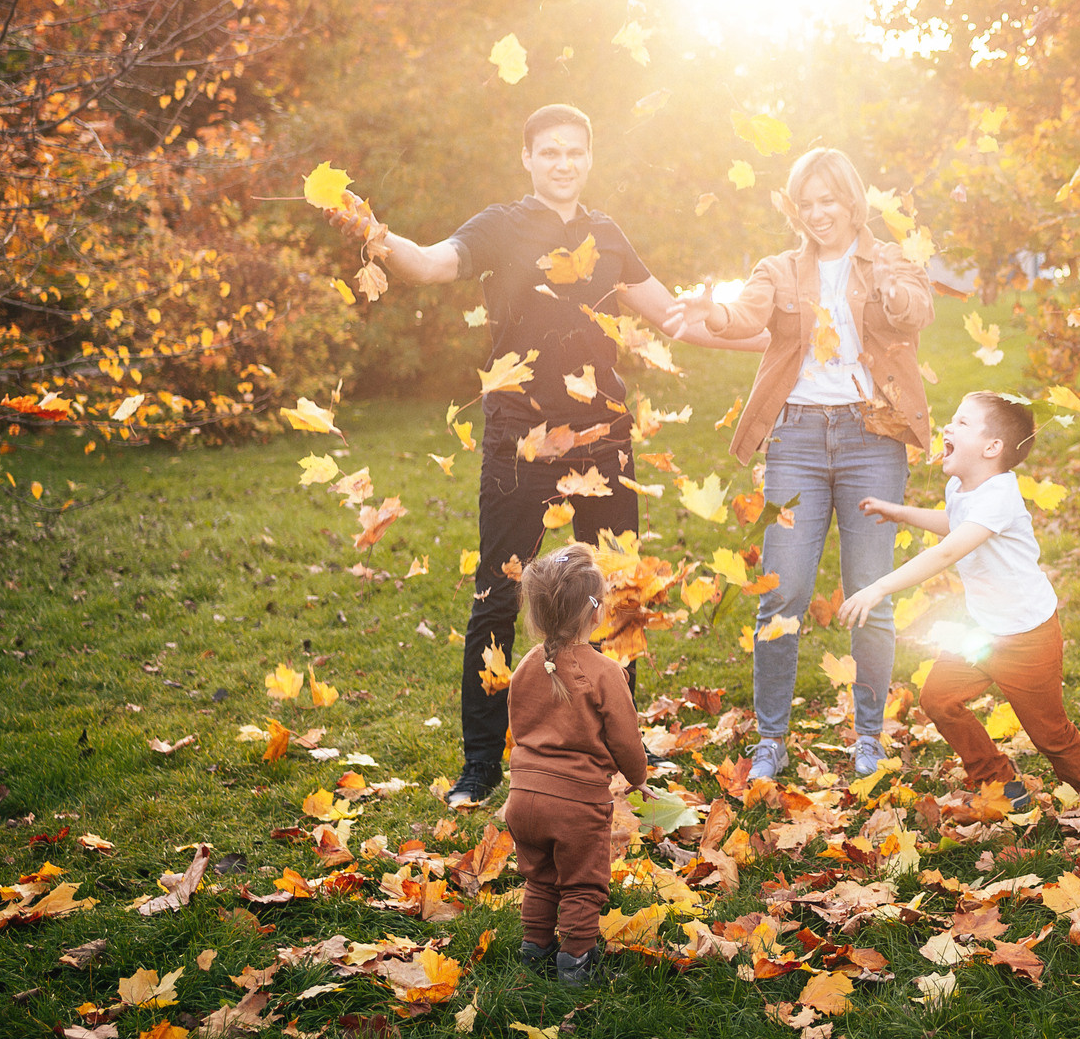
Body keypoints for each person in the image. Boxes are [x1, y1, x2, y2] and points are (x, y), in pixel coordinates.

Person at [337, 102, 751, 806]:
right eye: (549, 152)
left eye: (574, 152)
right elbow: (433, 264)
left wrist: (765, 339)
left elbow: (673, 316)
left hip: (602, 432)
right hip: (518, 436)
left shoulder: (607, 234)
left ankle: (621, 743)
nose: (563, 162)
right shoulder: (500, 225)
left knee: (617, 589)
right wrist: (376, 235)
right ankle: (480, 761)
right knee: (498, 594)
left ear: (590, 158)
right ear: (528, 158)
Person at [668, 147, 933, 781]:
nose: (817, 214)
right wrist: (713, 313)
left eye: (828, 201)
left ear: (852, 201)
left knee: (872, 594)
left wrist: (894, 289)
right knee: (780, 595)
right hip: (796, 442)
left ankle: (868, 735)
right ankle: (772, 739)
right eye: (806, 204)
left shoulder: (891, 259)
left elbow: (914, 315)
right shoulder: (780, 269)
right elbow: (744, 316)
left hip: (872, 437)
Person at [838, 391, 1080, 813]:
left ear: (992, 447)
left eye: (962, 423)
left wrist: (878, 588)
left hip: (1027, 638)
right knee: (939, 699)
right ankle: (998, 781)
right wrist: (901, 512)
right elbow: (955, 525)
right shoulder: (961, 487)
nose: (948, 427)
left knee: (1050, 734)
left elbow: (947, 552)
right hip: (984, 631)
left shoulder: (999, 496)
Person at [501, 544, 645, 987]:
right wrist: (638, 778)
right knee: (582, 885)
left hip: (522, 800)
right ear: (596, 612)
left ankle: (535, 949)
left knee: (540, 878)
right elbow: (626, 739)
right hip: (576, 806)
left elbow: (518, 725)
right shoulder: (604, 672)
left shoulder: (526, 666)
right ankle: (577, 964)